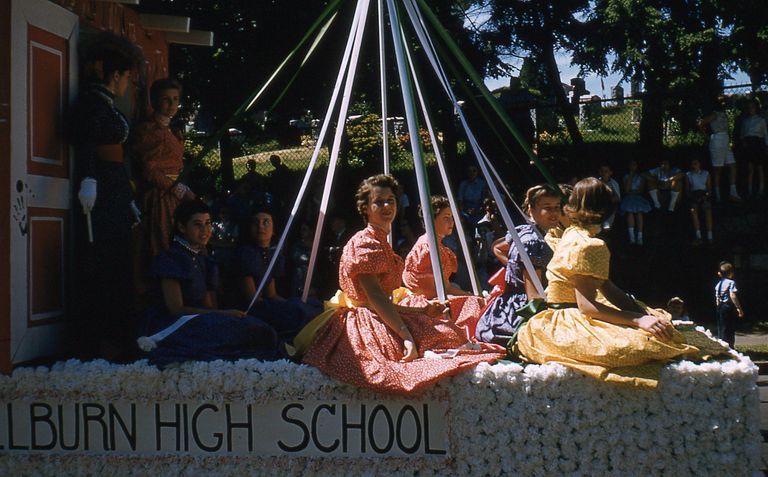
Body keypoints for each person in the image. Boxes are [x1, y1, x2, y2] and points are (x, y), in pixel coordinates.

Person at [296, 174, 506, 395]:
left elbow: (382, 300)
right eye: (378, 202)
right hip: (364, 319)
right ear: (365, 208)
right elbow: (375, 298)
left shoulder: (379, 240)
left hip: (378, 311)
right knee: (430, 344)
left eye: (390, 200)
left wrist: (422, 309)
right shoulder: (365, 243)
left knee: (448, 332)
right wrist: (405, 335)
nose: (386, 206)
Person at [516, 178, 699, 388]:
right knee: (647, 344)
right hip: (567, 321)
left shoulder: (570, 234)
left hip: (555, 318)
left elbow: (606, 286)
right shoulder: (591, 244)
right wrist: (638, 320)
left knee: (656, 329)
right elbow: (587, 306)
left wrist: (641, 313)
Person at [68, 32, 143, 359]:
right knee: (103, 260)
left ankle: (118, 335)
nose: (127, 84)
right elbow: (86, 143)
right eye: (126, 77)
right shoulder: (91, 103)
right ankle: (100, 339)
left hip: (114, 188)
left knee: (119, 258)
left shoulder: (107, 104)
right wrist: (88, 179)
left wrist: (127, 194)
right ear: (116, 75)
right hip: (99, 188)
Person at [139, 200, 281, 366]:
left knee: (258, 330)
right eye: (198, 225)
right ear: (182, 227)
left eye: (207, 224)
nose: (205, 230)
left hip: (202, 320)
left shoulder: (203, 259)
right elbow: (175, 309)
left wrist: (225, 317)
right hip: (176, 324)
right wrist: (223, 315)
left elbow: (209, 305)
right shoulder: (172, 259)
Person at [475, 184, 562, 346]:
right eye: (547, 207)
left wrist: (514, 268)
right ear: (531, 210)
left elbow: (497, 247)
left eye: (557, 207)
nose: (554, 213)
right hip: (517, 314)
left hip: (505, 305)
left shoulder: (523, 231)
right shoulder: (533, 242)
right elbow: (533, 296)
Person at [401, 196, 484, 337]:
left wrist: (470, 295)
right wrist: (470, 297)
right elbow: (431, 293)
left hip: (435, 298)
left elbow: (446, 286)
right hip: (426, 306)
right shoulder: (427, 249)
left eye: (451, 217)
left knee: (476, 300)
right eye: (446, 217)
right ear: (432, 220)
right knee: (474, 304)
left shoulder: (436, 245)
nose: (451, 221)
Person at [132, 78, 194, 257]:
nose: (172, 104)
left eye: (175, 99)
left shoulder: (172, 130)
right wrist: (180, 190)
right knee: (162, 243)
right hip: (161, 195)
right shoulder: (149, 130)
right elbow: (149, 170)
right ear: (155, 100)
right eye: (166, 99)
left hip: (175, 193)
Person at [236, 207, 318, 341]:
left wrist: (293, 305)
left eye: (266, 222)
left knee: (309, 306)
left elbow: (271, 294)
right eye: (255, 222)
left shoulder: (271, 255)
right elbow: (253, 299)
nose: (260, 227)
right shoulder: (246, 254)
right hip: (251, 309)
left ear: (274, 230)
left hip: (266, 304)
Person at [699, 96, 741, 202]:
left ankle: (733, 192)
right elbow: (701, 123)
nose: (724, 104)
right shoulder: (714, 114)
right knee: (718, 169)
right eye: (722, 102)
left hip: (725, 140)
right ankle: (717, 195)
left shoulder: (724, 114)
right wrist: (706, 136)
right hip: (717, 140)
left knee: (733, 165)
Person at [619, 159, 652, 245]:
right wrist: (631, 175)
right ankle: (632, 237)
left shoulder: (641, 177)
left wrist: (633, 192)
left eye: (634, 165)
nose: (632, 166)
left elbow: (641, 190)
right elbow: (626, 190)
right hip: (629, 198)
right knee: (630, 212)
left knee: (639, 213)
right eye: (631, 165)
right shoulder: (626, 176)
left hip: (638, 197)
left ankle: (640, 237)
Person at [739, 97, 768, 197]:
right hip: (749, 144)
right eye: (749, 107)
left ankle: (761, 188)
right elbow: (742, 134)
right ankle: (750, 189)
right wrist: (744, 144)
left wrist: (766, 146)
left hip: (758, 144)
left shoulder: (761, 120)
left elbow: (765, 134)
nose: (751, 109)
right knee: (750, 168)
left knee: (760, 167)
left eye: (753, 107)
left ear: (756, 108)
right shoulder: (745, 121)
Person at [714, 261, 744, 348]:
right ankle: (730, 346)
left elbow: (717, 299)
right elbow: (732, 295)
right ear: (731, 273)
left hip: (720, 307)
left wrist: (719, 306)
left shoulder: (718, 284)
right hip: (728, 306)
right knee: (729, 327)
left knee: (721, 327)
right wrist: (738, 308)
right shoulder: (731, 282)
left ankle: (722, 344)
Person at [686, 158, 714, 246]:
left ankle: (710, 236)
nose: (694, 165)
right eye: (693, 164)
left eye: (696, 163)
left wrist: (706, 196)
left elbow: (709, 188)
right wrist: (691, 197)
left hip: (704, 193)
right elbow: (687, 189)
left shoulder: (706, 173)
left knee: (707, 210)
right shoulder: (688, 174)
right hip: (694, 194)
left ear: (699, 164)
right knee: (693, 210)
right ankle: (699, 237)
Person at [597, 165, 621, 230]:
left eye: (606, 171)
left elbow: (618, 198)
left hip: (609, 208)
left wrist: (607, 199)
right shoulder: (596, 182)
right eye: (602, 171)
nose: (603, 173)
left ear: (610, 172)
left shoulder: (613, 183)